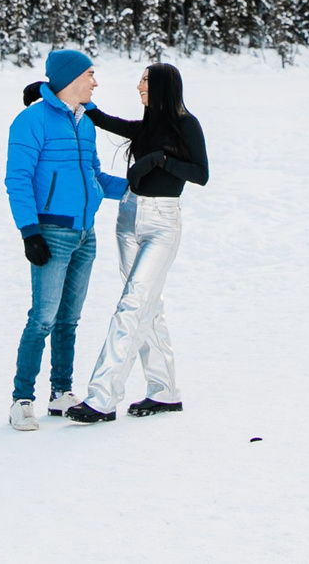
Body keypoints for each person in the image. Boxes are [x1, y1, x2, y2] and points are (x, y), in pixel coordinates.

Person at [61, 62, 208, 423]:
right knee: (148, 308)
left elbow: (201, 174)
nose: (138, 86)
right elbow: (102, 118)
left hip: (161, 224)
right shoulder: (145, 126)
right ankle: (164, 392)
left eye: (144, 80)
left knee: (131, 306)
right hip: (128, 220)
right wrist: (49, 91)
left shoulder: (186, 125)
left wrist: (160, 160)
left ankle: (102, 397)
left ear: (162, 86)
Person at [3, 48, 127, 432]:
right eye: (90, 74)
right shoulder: (31, 122)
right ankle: (22, 399)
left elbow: (94, 175)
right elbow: (18, 180)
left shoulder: (85, 122)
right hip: (51, 235)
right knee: (42, 318)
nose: (95, 81)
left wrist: (138, 187)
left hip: (85, 233)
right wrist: (30, 232)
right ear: (71, 79)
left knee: (68, 320)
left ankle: (61, 393)